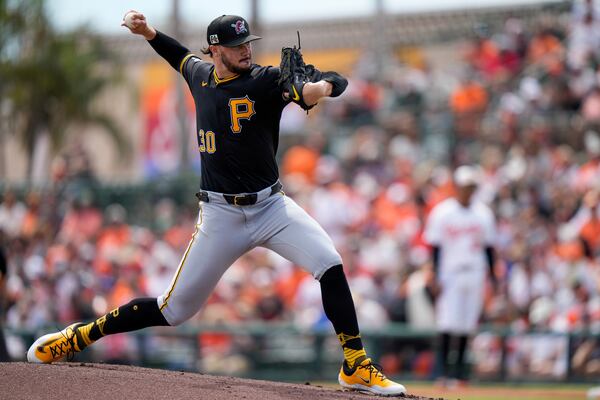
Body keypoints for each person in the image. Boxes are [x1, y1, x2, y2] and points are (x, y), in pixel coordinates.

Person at [26, 11, 406, 396]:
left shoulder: (265, 80)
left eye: (248, 44)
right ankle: (79, 336)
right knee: (174, 310)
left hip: (271, 208)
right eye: (237, 45)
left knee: (330, 263)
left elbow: (322, 88)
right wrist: (147, 32)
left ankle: (355, 364)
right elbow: (174, 53)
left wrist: (322, 87)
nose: (246, 51)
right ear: (215, 49)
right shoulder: (200, 76)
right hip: (221, 215)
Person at [423, 165, 496, 386]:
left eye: (471, 186)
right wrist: (434, 275)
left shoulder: (483, 213)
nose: (468, 191)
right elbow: (435, 247)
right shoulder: (443, 212)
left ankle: (460, 374)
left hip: (475, 271)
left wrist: (493, 277)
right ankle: (443, 373)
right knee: (447, 322)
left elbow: (489, 248)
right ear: (457, 187)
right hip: (450, 273)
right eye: (465, 186)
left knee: (467, 324)